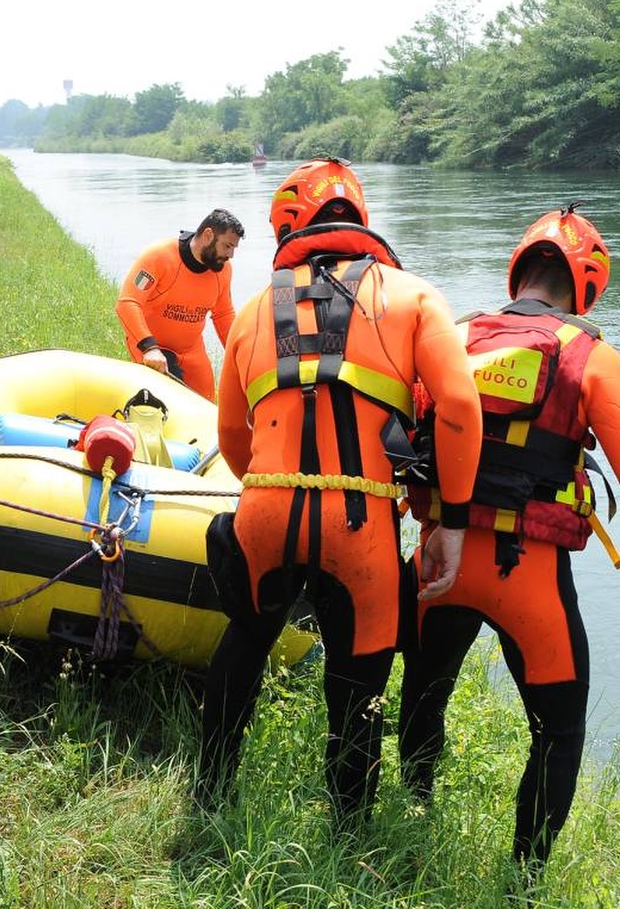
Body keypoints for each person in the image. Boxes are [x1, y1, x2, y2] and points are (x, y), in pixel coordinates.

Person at [197, 158, 483, 829]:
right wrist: (454, 521)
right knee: (357, 682)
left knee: (244, 641)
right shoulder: (413, 295)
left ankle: (210, 796)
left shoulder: (249, 311)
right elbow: (461, 411)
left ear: (289, 226)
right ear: (361, 219)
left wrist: (267, 492)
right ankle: (347, 829)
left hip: (264, 504)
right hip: (360, 519)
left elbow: (231, 435)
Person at [399, 204, 620, 870]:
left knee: (422, 691)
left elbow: (404, 440)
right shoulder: (594, 356)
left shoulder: (452, 336)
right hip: (530, 580)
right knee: (560, 732)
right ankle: (524, 883)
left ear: (518, 267)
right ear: (586, 284)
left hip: (439, 562)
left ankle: (413, 814)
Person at [115, 208, 243, 401]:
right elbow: (128, 303)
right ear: (208, 235)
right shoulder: (159, 257)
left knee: (206, 404)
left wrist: (242, 355)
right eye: (227, 246)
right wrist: (150, 348)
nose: (231, 254)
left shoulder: (223, 270)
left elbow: (223, 315)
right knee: (172, 401)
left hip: (192, 351)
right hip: (153, 347)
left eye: (234, 248)